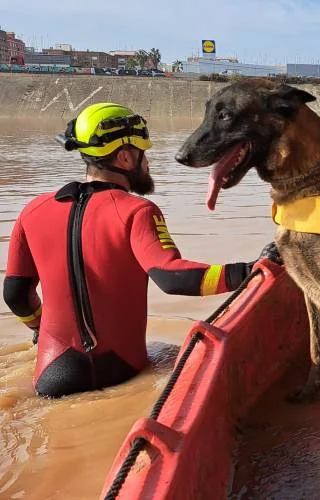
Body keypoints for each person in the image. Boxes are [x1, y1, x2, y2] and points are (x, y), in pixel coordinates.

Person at [3, 102, 257, 398]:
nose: (147, 164)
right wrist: (249, 271)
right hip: (122, 372)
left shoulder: (32, 210)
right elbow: (173, 278)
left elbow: (15, 295)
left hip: (52, 375)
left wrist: (39, 326)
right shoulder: (137, 211)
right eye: (143, 154)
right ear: (125, 157)